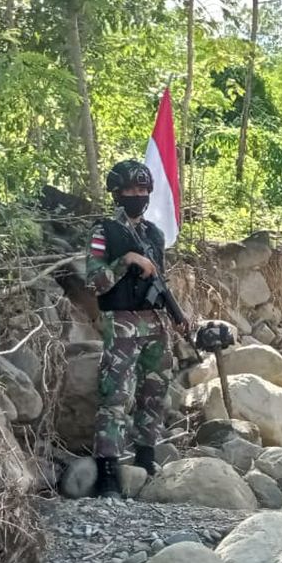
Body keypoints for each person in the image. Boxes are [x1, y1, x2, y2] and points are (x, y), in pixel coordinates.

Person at [86, 159, 176, 497]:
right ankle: (107, 470)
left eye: (142, 190)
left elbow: (161, 281)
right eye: (130, 190)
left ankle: (145, 456)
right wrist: (126, 261)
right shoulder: (104, 231)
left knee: (154, 391)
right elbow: (95, 281)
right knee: (116, 393)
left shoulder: (154, 234)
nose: (137, 195)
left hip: (155, 321)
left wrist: (176, 318)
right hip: (121, 320)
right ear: (117, 193)